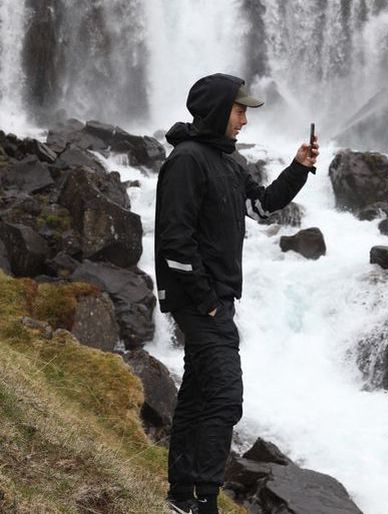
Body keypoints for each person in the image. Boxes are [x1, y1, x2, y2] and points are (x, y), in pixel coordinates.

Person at [154, 73, 319, 514]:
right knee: (226, 397)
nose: (245, 119)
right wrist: (205, 299)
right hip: (201, 301)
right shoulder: (188, 161)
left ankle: (181, 497)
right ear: (217, 110)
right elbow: (174, 240)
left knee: (198, 392)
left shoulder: (225, 160)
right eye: (239, 109)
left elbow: (261, 205)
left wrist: (298, 167)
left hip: (214, 298)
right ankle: (203, 501)